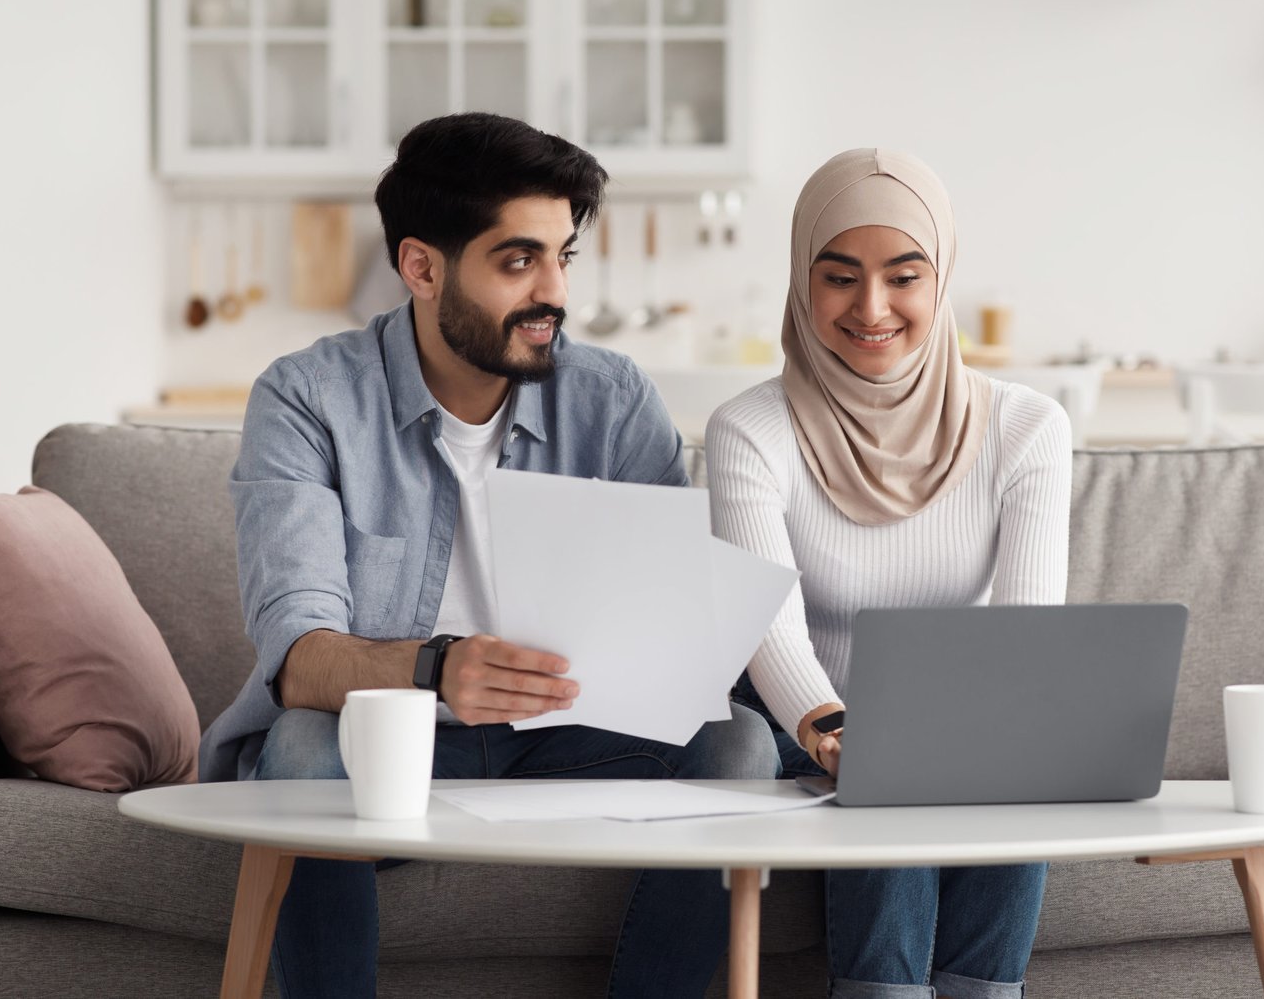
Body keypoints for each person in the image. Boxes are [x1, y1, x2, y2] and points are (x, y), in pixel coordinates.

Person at [198, 112, 776, 999]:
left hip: (569, 739)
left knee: (738, 745)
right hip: (395, 741)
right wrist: (437, 671)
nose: (556, 293)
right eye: (519, 261)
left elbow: (675, 632)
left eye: (564, 256)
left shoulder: (614, 399)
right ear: (422, 268)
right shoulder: (307, 399)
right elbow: (299, 656)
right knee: (305, 744)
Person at [706, 149, 1072, 999]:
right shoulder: (749, 431)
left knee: (1001, 772)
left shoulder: (1027, 428)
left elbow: (1023, 639)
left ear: (941, 279)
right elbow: (770, 624)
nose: (871, 308)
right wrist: (838, 726)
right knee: (888, 776)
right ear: (803, 280)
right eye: (839, 277)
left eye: (903, 276)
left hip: (969, 722)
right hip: (809, 716)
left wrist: (954, 736)